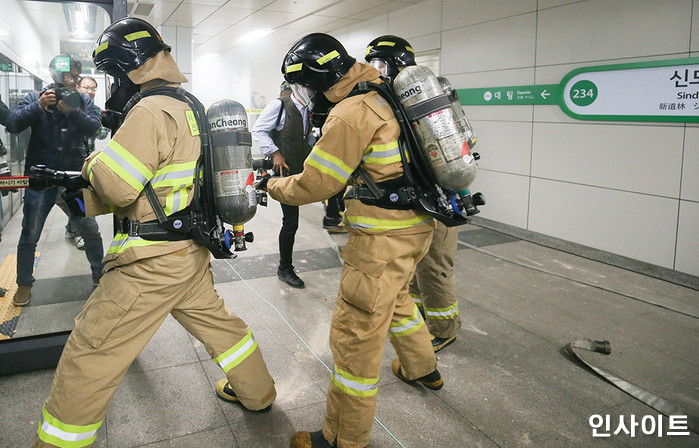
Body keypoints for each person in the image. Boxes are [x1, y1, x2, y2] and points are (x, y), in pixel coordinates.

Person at [30, 18, 276, 448]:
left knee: (91, 351)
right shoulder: (188, 104)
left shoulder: (148, 111)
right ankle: (258, 394)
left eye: (111, 74)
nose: (111, 85)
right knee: (223, 329)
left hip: (148, 263)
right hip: (186, 251)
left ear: (127, 67)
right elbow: (162, 182)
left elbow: (116, 184)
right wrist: (81, 194)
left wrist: (89, 166)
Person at [263, 33, 442, 448]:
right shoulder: (384, 88)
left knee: (355, 335)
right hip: (418, 227)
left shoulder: (350, 112)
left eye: (304, 86)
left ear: (317, 80)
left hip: (380, 238)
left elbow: (316, 184)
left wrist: (274, 185)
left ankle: (343, 437)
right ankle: (422, 367)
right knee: (397, 298)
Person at [365, 35, 462, 352]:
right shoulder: (395, 101)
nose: (376, 71)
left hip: (440, 196)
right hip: (419, 198)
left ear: (396, 65)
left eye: (380, 64)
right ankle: (423, 316)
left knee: (435, 266)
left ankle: (444, 328)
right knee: (420, 265)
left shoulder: (415, 99)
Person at [6, 54, 105, 307]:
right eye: (66, 75)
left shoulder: (82, 100)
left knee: (90, 230)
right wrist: (38, 106)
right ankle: (24, 283)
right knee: (30, 234)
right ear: (53, 74)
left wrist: (72, 112)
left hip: (73, 182)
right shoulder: (35, 97)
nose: (70, 80)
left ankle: (99, 276)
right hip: (41, 181)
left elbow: (95, 128)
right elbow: (14, 125)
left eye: (74, 76)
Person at [251, 80, 315, 288]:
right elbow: (258, 130)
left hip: (301, 169)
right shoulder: (279, 106)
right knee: (291, 222)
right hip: (285, 171)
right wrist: (275, 153)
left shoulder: (309, 109)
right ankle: (284, 268)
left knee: (292, 221)